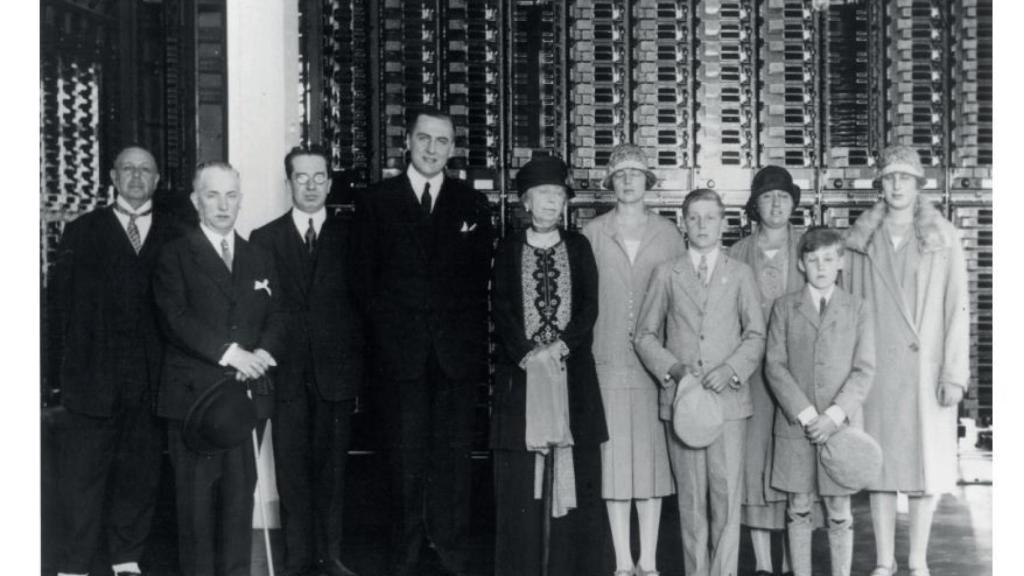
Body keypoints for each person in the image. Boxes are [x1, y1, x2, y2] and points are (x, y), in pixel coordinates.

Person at [354, 107, 494, 576]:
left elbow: (480, 283)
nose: (432, 149)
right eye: (424, 139)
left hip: (455, 357)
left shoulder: (471, 204)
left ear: (452, 148)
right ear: (407, 142)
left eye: (442, 141)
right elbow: (365, 284)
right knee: (402, 459)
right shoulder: (377, 201)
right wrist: (387, 343)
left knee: (453, 462)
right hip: (400, 357)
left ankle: (451, 552)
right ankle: (404, 555)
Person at [49, 146, 180, 576]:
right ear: (112, 175)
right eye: (128, 169)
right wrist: (56, 380)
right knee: (81, 480)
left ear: (158, 179)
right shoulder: (81, 231)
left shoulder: (177, 233)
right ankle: (73, 565)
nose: (137, 177)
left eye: (146, 170)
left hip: (150, 381)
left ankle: (127, 559)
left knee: (140, 477)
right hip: (92, 381)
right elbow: (59, 310)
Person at [153, 161, 287, 576]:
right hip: (194, 401)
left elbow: (278, 315)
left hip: (245, 400)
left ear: (240, 200)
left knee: (237, 502)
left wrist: (263, 352)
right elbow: (174, 318)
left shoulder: (258, 256)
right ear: (196, 201)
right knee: (194, 509)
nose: (223, 204)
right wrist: (232, 353)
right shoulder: (175, 254)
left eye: (231, 195)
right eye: (212, 195)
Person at [842, 145, 970, 576]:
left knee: (921, 465)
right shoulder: (861, 240)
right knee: (879, 465)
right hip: (875, 369)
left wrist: (954, 371)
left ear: (919, 185)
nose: (897, 186)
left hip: (925, 369)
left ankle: (917, 558)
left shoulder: (943, 237)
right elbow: (849, 309)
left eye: (905, 178)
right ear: (880, 185)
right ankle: (883, 559)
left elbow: (957, 308)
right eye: (890, 178)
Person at [634, 188, 765, 576]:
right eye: (695, 218)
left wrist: (732, 369)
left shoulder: (740, 274)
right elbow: (644, 335)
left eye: (711, 217)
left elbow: (756, 335)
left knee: (726, 499)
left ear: (724, 224)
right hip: (685, 405)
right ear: (683, 224)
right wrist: (674, 370)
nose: (703, 225)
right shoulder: (667, 273)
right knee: (691, 501)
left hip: (729, 406)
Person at [490, 155, 608, 576]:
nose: (550, 203)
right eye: (542, 194)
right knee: (523, 484)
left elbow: (590, 307)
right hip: (521, 381)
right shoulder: (508, 246)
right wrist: (528, 352)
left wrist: (560, 347)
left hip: (571, 377)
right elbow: (500, 308)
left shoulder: (578, 246)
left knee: (576, 475)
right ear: (525, 200)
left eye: (557, 195)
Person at [249, 145, 364, 576]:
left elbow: (361, 306)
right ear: (289, 183)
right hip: (289, 376)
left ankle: (329, 557)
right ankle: (297, 560)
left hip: (336, 374)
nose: (312, 186)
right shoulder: (265, 238)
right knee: (292, 474)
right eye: (302, 177)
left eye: (319, 178)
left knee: (332, 473)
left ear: (330, 184)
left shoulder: (351, 236)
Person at [581, 144, 682, 576]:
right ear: (610, 183)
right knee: (615, 464)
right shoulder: (592, 232)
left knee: (653, 465)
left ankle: (649, 560)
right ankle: (623, 561)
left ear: (647, 182)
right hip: (606, 361)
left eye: (635, 174)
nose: (627, 181)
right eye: (620, 174)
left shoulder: (669, 234)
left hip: (656, 365)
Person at [764, 227, 875, 576]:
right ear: (801, 264)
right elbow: (774, 365)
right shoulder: (784, 307)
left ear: (840, 262)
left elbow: (864, 370)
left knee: (839, 506)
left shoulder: (858, 308)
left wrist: (834, 415)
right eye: (813, 260)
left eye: (829, 259)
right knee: (797, 506)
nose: (821, 266)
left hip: (840, 428)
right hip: (797, 425)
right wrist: (808, 414)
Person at [728, 165, 805, 576]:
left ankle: (796, 561)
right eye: (767, 197)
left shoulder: (809, 247)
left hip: (798, 374)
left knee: (796, 463)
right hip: (753, 375)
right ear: (754, 206)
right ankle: (762, 564)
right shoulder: (738, 253)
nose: (775, 204)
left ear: (794, 202)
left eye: (783, 196)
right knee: (755, 462)